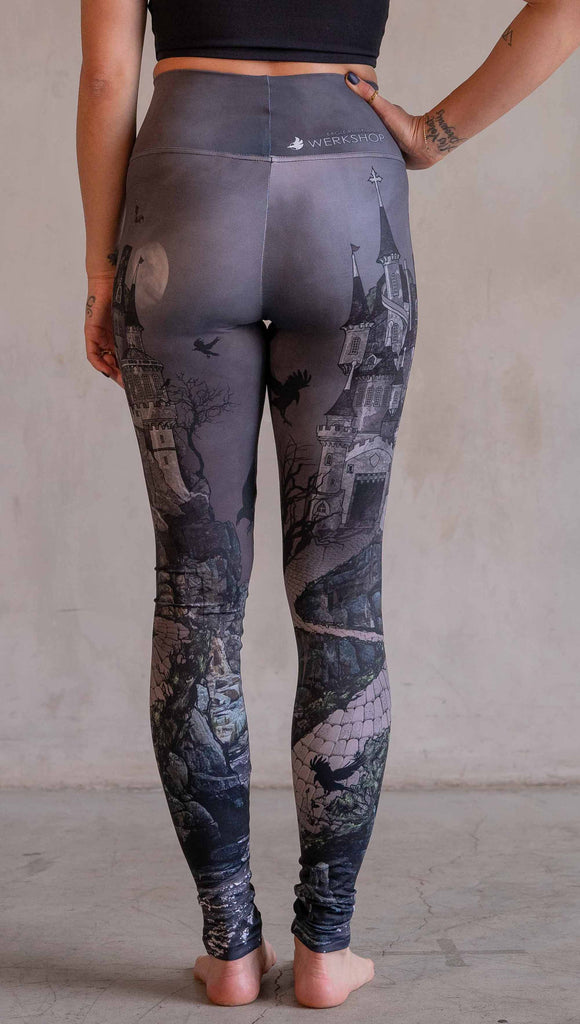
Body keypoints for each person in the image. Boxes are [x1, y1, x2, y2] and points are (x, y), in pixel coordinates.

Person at [76, 0, 580, 1009]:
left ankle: (229, 949)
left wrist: (99, 268)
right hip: (350, 192)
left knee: (195, 602)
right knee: (342, 600)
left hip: (181, 196)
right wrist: (432, 133)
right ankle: (325, 949)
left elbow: (104, 78)